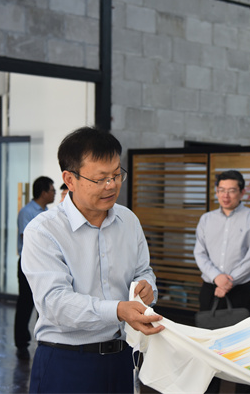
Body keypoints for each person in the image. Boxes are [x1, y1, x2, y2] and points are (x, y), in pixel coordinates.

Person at [21, 126, 164, 393]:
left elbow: (143, 271)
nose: (111, 185)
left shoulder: (128, 221)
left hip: (121, 358)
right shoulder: (44, 231)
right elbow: (55, 303)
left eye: (116, 175)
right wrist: (118, 310)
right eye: (100, 179)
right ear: (70, 179)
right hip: (67, 362)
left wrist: (146, 286)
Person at [193, 170, 250, 394]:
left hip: (241, 290)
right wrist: (217, 278)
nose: (225, 195)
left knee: (245, 351)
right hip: (210, 290)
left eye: (231, 190)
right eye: (221, 190)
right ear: (216, 192)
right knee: (209, 349)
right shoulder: (206, 219)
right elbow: (199, 253)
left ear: (242, 192)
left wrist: (228, 282)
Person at [15, 176, 56, 360]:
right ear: (44, 192)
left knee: (44, 301)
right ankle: (21, 342)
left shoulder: (47, 212)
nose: (54, 193)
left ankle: (43, 337)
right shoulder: (27, 212)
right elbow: (27, 238)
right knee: (25, 303)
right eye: (52, 190)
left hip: (44, 264)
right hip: (28, 263)